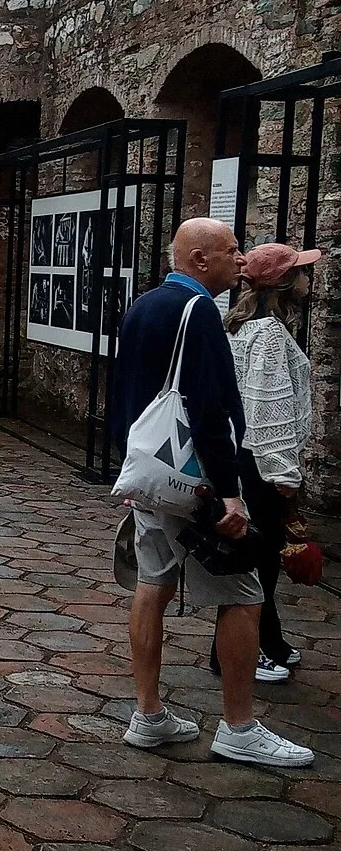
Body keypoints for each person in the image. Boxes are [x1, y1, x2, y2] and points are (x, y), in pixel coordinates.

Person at [109, 216, 312, 770]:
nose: (239, 259)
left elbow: (126, 392)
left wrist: (131, 469)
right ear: (200, 260)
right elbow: (210, 408)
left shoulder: (143, 306)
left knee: (152, 583)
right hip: (197, 482)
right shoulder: (199, 312)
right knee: (244, 592)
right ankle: (240, 726)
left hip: (152, 475)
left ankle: (148, 715)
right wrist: (230, 494)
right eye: (230, 250)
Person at [211, 241, 321, 682]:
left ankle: (269, 641)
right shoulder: (269, 334)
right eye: (301, 271)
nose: (309, 278)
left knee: (258, 556)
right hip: (260, 463)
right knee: (259, 560)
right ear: (283, 282)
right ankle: (235, 653)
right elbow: (266, 405)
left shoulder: (242, 324)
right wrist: (284, 474)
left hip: (242, 456)